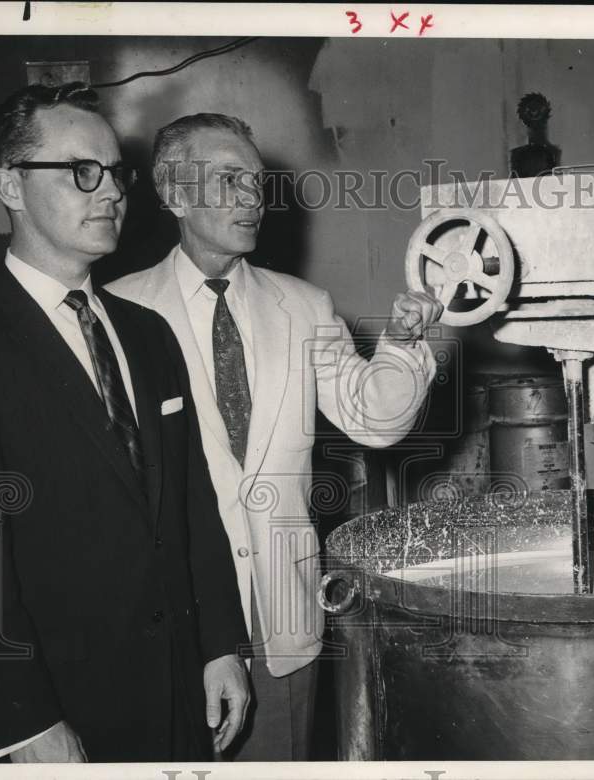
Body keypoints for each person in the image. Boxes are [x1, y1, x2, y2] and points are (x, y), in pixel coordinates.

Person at [0, 84, 250, 763]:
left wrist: (221, 646)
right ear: (10, 184)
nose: (111, 192)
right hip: (62, 710)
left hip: (181, 694)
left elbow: (192, 506)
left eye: (116, 173)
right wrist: (24, 724)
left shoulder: (147, 334)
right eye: (79, 172)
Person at [107, 113, 443, 760]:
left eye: (257, 183)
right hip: (167, 610)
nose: (252, 198)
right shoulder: (119, 309)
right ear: (174, 194)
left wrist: (402, 345)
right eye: (229, 179)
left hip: (278, 614)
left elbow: (373, 419)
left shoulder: (303, 306)